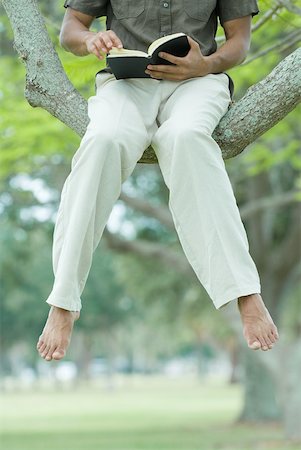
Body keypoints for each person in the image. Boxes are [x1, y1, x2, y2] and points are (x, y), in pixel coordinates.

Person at [37, 0, 279, 362]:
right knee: (102, 141)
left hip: (198, 84)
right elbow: (70, 29)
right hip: (125, 87)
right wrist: (91, 40)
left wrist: (207, 63)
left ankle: (244, 292)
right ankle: (63, 301)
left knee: (186, 139)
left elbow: (239, 41)